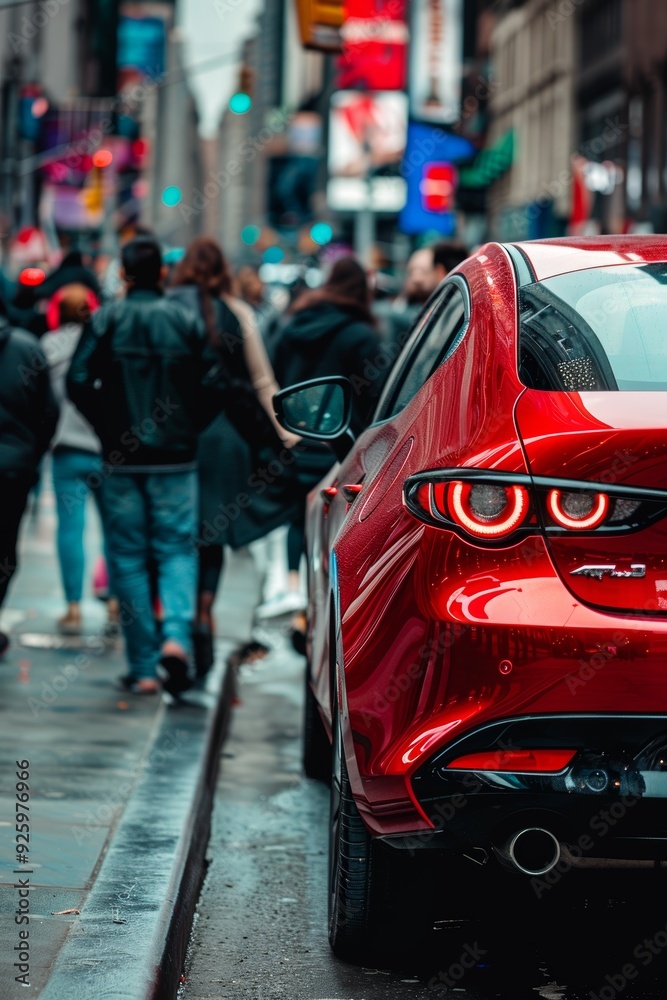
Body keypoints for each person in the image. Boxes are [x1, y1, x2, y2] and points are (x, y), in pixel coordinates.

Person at [67, 236, 223, 695]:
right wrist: (188, 427)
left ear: (124, 273)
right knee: (177, 549)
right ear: (161, 273)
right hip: (176, 459)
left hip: (121, 461)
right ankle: (175, 639)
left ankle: (143, 668)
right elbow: (217, 382)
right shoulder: (184, 320)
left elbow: (78, 379)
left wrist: (107, 428)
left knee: (128, 557)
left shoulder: (107, 318)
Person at [168, 237, 300, 675]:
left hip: (175, 435)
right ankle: (204, 610)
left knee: (174, 536)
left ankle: (175, 619)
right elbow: (262, 382)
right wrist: (287, 436)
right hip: (225, 440)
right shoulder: (236, 312)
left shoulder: (169, 309)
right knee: (211, 535)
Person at [257, 256, 384, 619]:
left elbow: (274, 376)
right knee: (339, 521)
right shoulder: (361, 335)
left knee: (300, 515)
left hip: (298, 436)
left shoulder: (294, 323)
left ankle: (296, 592)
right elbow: (374, 395)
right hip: (341, 443)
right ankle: (325, 602)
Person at [42, 284, 119, 636]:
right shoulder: (107, 342)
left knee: (70, 529)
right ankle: (116, 602)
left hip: (66, 451)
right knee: (114, 530)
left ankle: (72, 607)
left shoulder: (48, 346)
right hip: (107, 450)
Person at [0, 300, 59, 656]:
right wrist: (33, 454)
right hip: (14, 468)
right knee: (5, 545)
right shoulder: (27, 347)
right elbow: (48, 411)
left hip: (17, 462)